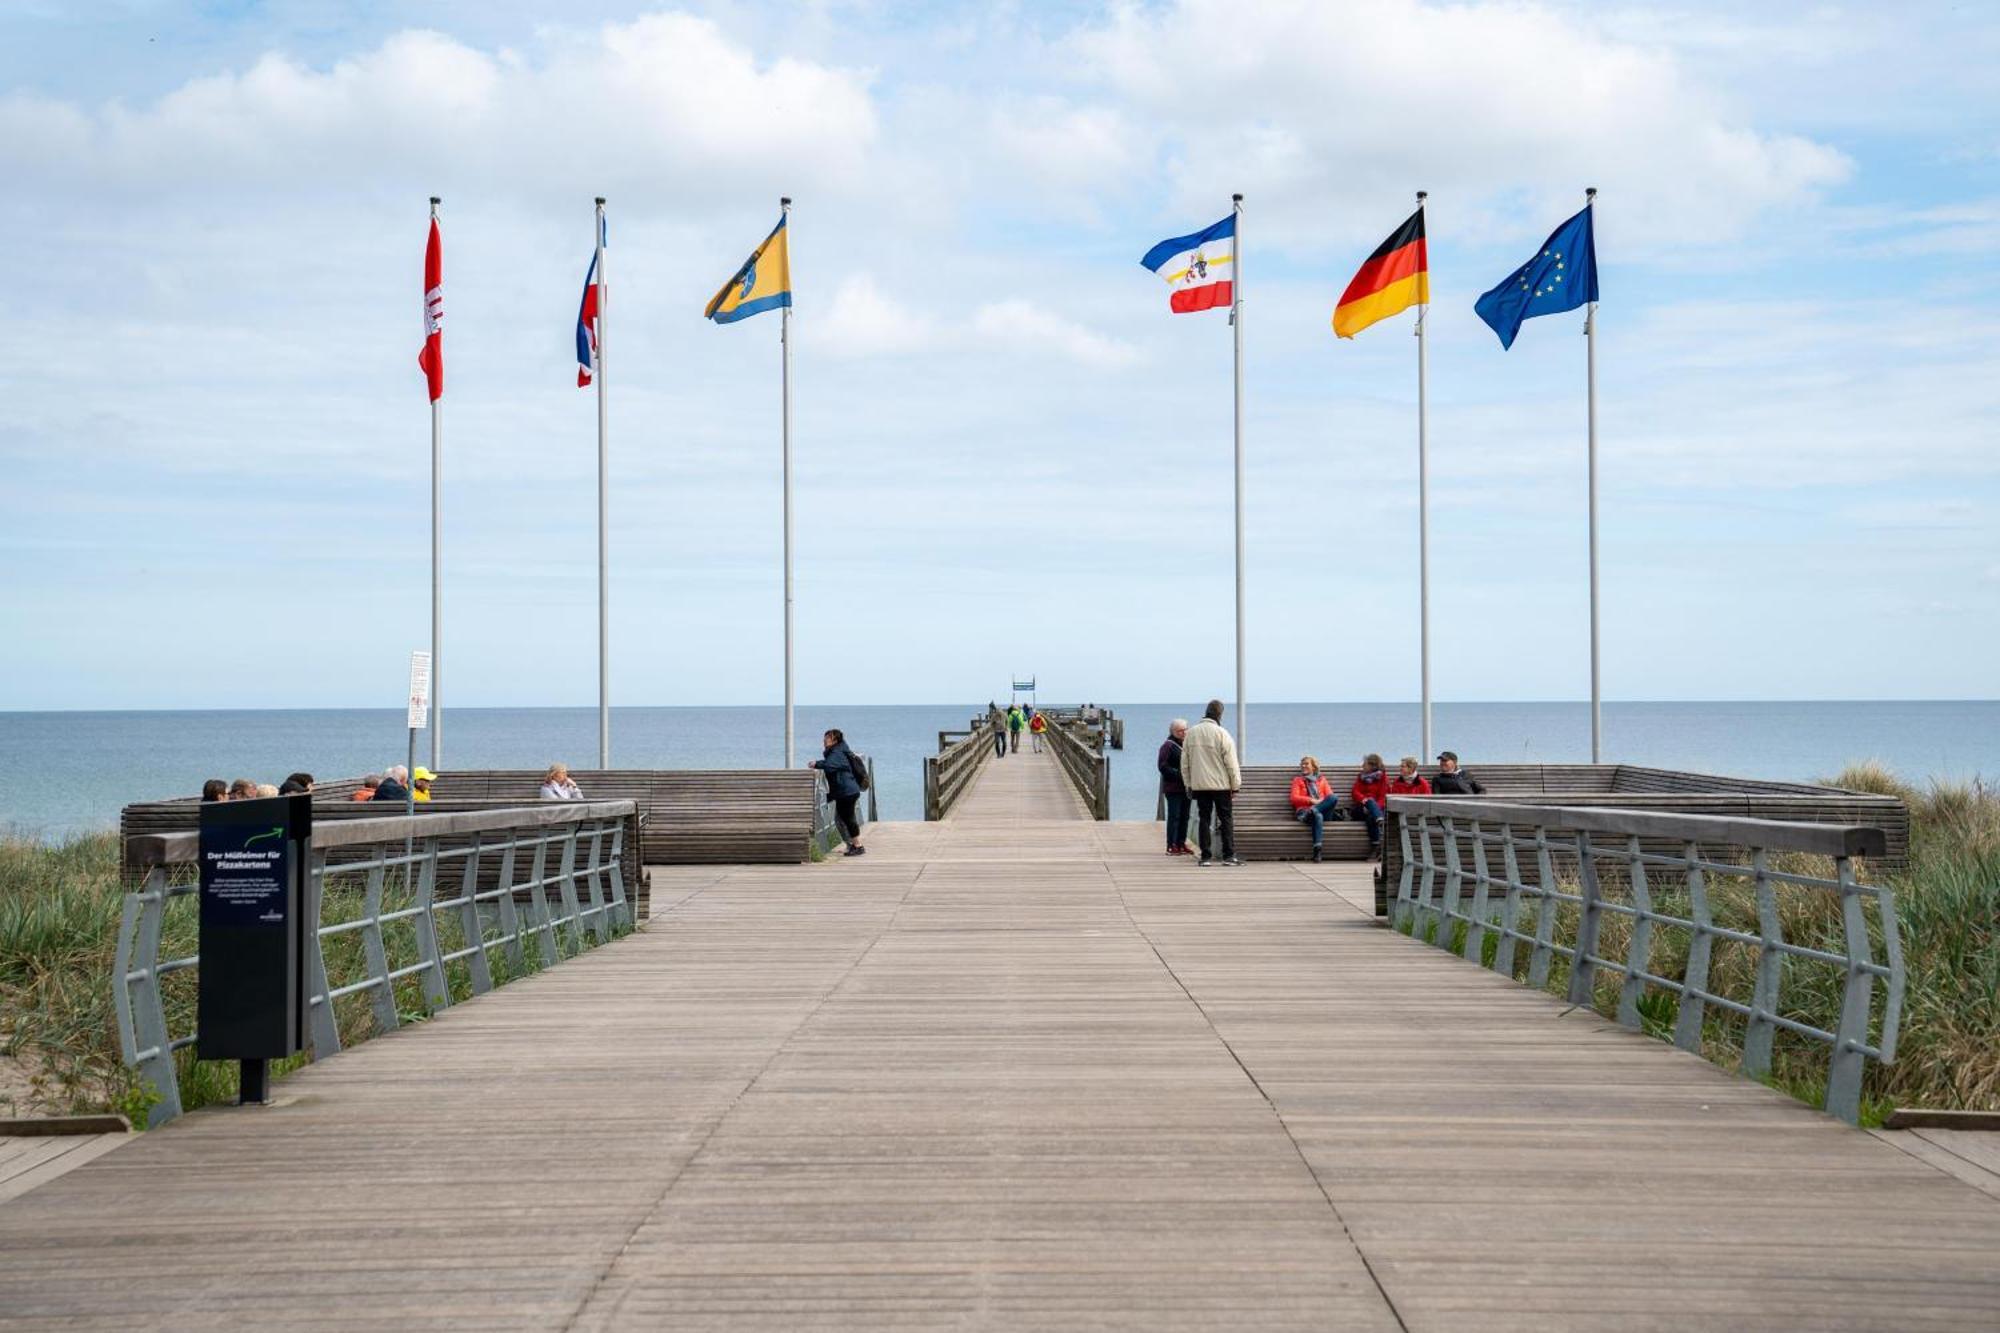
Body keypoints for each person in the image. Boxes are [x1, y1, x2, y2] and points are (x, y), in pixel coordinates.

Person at [1181, 699, 1242, 866]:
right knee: (1226, 819)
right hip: (1221, 785)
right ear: (1220, 715)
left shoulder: (1191, 733)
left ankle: (1205, 856)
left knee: (1204, 819)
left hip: (1200, 785)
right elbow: (1231, 763)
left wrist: (1188, 784)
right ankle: (1228, 855)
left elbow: (1184, 763)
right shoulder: (1222, 734)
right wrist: (1235, 785)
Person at [808, 728, 867, 856]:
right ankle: (851, 845)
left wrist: (816, 763)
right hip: (846, 790)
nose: (824, 741)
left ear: (834, 740)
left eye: (827, 738)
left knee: (847, 819)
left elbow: (830, 765)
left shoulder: (837, 752)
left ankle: (857, 846)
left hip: (846, 791)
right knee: (841, 819)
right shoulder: (840, 750)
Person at [1289, 756, 1343, 862]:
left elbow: (1330, 797)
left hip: (1322, 811)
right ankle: (1317, 851)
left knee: (1334, 797)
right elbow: (1294, 798)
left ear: (1313, 766)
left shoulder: (1322, 780)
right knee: (1317, 816)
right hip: (1304, 812)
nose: (1303, 766)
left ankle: (1313, 810)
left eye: (1306, 763)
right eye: (1302, 764)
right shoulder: (1298, 780)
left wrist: (1319, 803)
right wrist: (1311, 801)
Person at [1157, 719, 1192, 855]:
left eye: (1185, 729)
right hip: (1173, 788)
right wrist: (1179, 774)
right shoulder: (1168, 746)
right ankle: (1171, 845)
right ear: (1173, 732)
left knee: (1185, 816)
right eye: (1180, 731)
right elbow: (1162, 766)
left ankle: (1181, 843)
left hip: (1186, 788)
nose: (1183, 733)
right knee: (1174, 817)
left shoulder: (1186, 745)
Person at [1349, 753, 1390, 860]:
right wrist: (1364, 801)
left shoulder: (1382, 778)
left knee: (1371, 817)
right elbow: (1355, 792)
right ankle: (1380, 820)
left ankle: (1375, 847)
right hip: (1359, 809)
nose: (1362, 766)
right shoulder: (1361, 777)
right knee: (1370, 802)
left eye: (1365, 764)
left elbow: (1383, 797)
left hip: (1375, 810)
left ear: (1372, 766)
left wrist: (1373, 807)